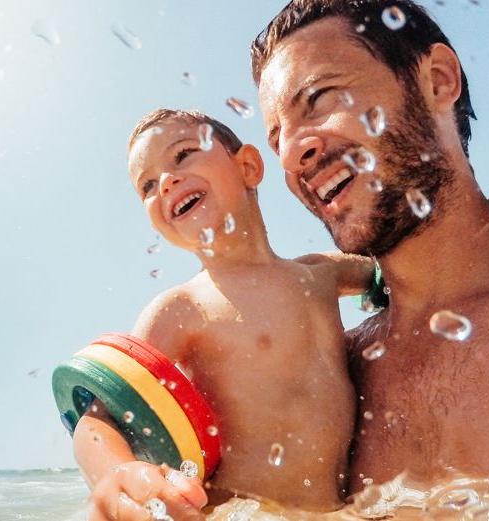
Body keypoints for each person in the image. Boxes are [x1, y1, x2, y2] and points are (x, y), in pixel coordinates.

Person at [251, 0, 489, 496]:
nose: (291, 154)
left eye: (321, 97)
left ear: (437, 80)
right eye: (276, 138)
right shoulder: (334, 381)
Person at [74, 109, 377, 521]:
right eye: (147, 185)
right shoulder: (182, 308)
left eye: (182, 155)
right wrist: (118, 473)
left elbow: (399, 268)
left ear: (248, 166)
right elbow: (97, 418)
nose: (166, 182)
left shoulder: (321, 275)